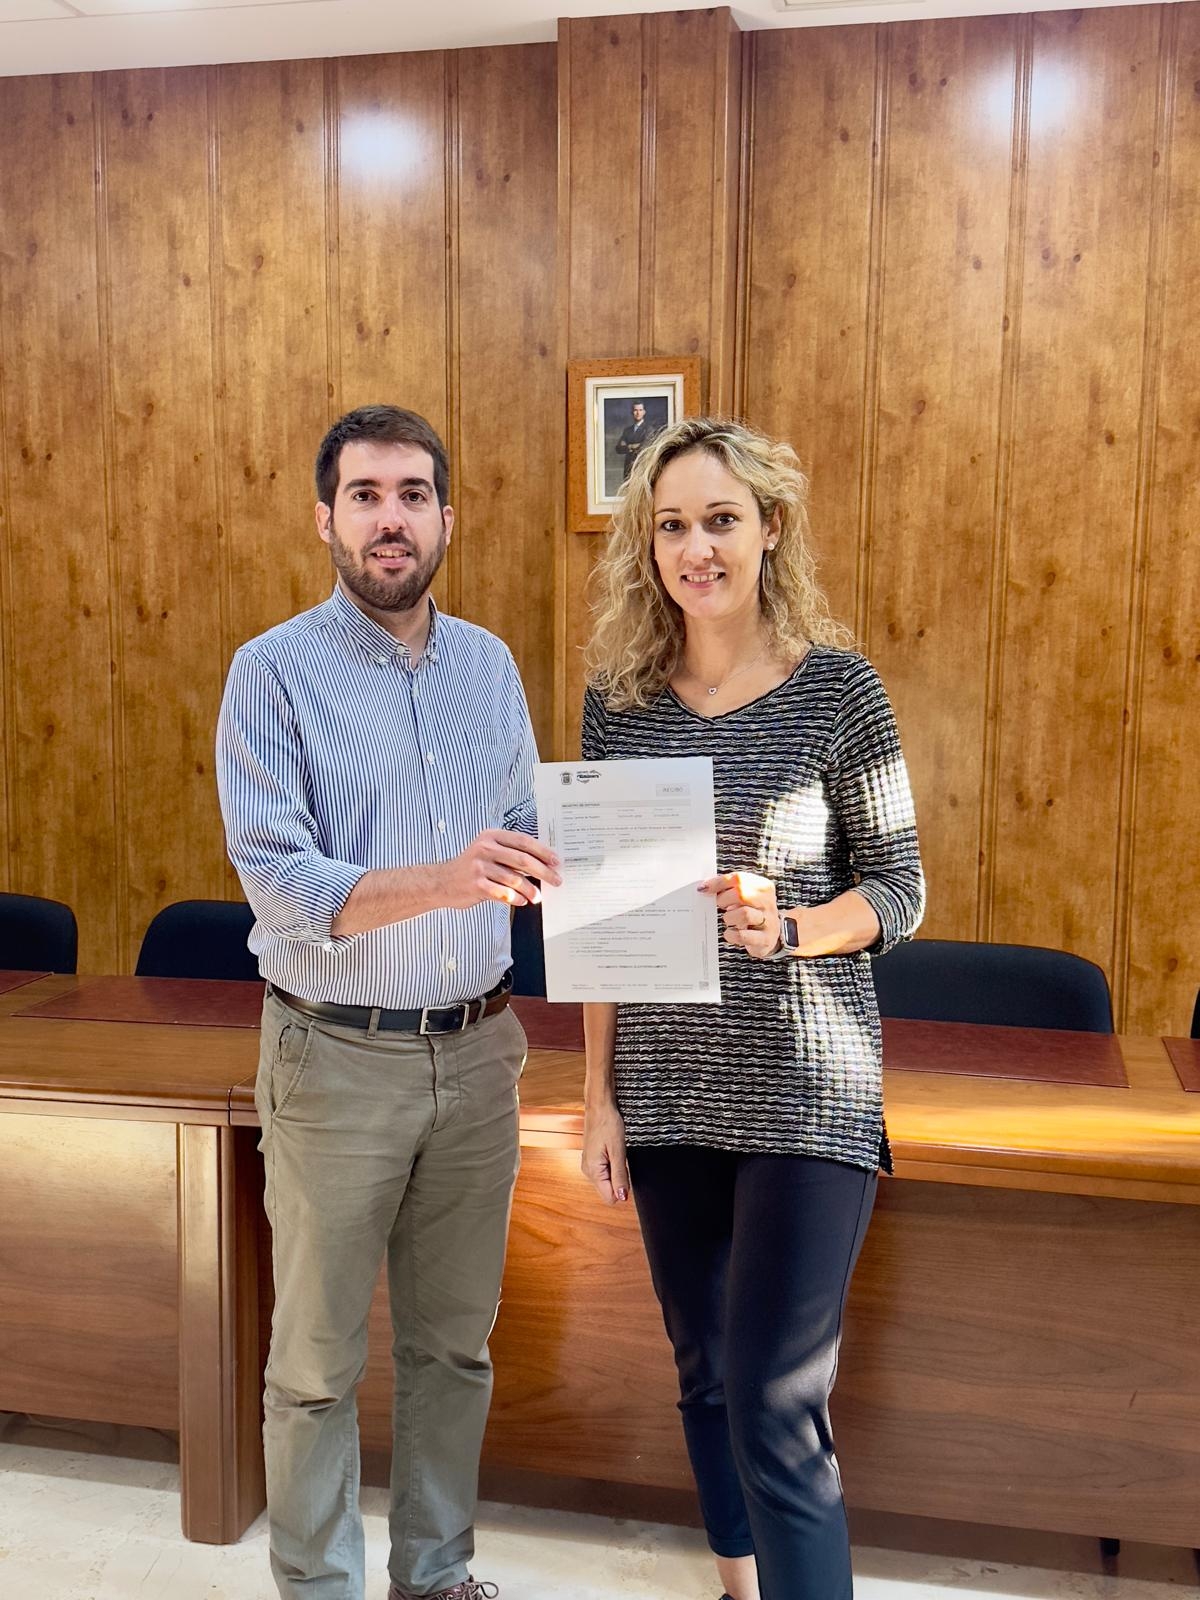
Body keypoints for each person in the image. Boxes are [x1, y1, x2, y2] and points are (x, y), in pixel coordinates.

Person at [216, 404, 559, 1600]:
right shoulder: (270, 673)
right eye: (365, 495)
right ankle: (318, 1587)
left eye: (412, 493)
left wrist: (648, 861)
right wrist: (444, 878)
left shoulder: (491, 664)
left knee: (450, 1348)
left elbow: (529, 839)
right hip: (335, 1056)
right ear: (326, 519)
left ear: (446, 517)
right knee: (314, 1361)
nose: (390, 517)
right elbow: (285, 882)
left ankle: (436, 1572)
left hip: (477, 1056)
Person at [578, 416, 924, 1600]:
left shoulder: (839, 690)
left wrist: (793, 925)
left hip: (808, 1089)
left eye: (721, 519)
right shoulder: (618, 705)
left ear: (770, 528)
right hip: (668, 1088)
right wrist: (597, 1095)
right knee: (707, 1372)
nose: (697, 547)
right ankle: (738, 1584)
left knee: (779, 1398)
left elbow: (900, 885)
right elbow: (606, 928)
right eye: (672, 524)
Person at [614, 398, 656, 481]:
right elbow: (618, 448)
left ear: (644, 412)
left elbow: (645, 447)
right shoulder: (627, 430)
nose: (638, 413)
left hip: (642, 467)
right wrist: (632, 446)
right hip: (628, 469)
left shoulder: (649, 429)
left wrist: (628, 446)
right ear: (632, 412)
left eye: (640, 410)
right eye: (635, 410)